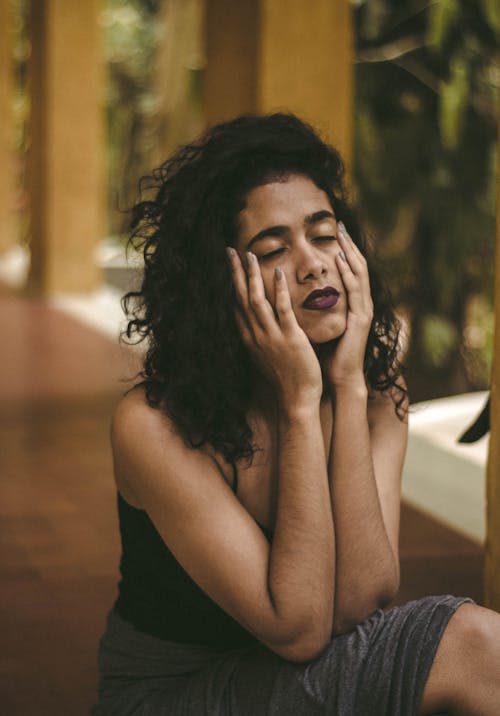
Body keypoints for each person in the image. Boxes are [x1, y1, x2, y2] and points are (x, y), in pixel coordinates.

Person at [92, 113, 500, 715]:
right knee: (475, 646)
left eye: (325, 233)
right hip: (173, 695)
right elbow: (300, 628)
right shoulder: (153, 426)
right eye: (274, 248)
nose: (313, 265)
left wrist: (349, 388)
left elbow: (360, 602)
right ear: (223, 281)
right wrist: (300, 404)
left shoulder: (379, 395)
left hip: (293, 678)